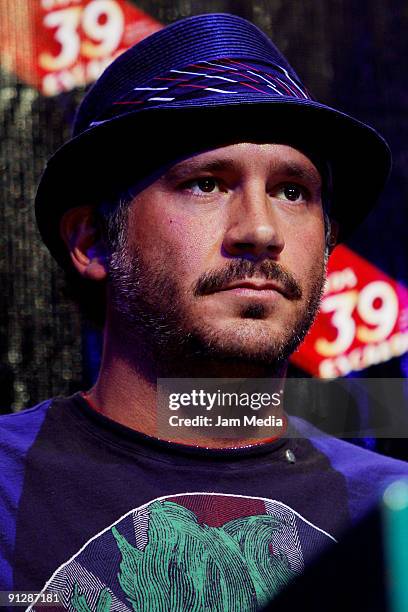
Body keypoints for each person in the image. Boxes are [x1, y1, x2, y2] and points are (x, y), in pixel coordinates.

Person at [0, 13, 406, 610]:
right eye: (206, 183)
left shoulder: (393, 519)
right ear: (91, 239)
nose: (262, 229)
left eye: (292, 191)